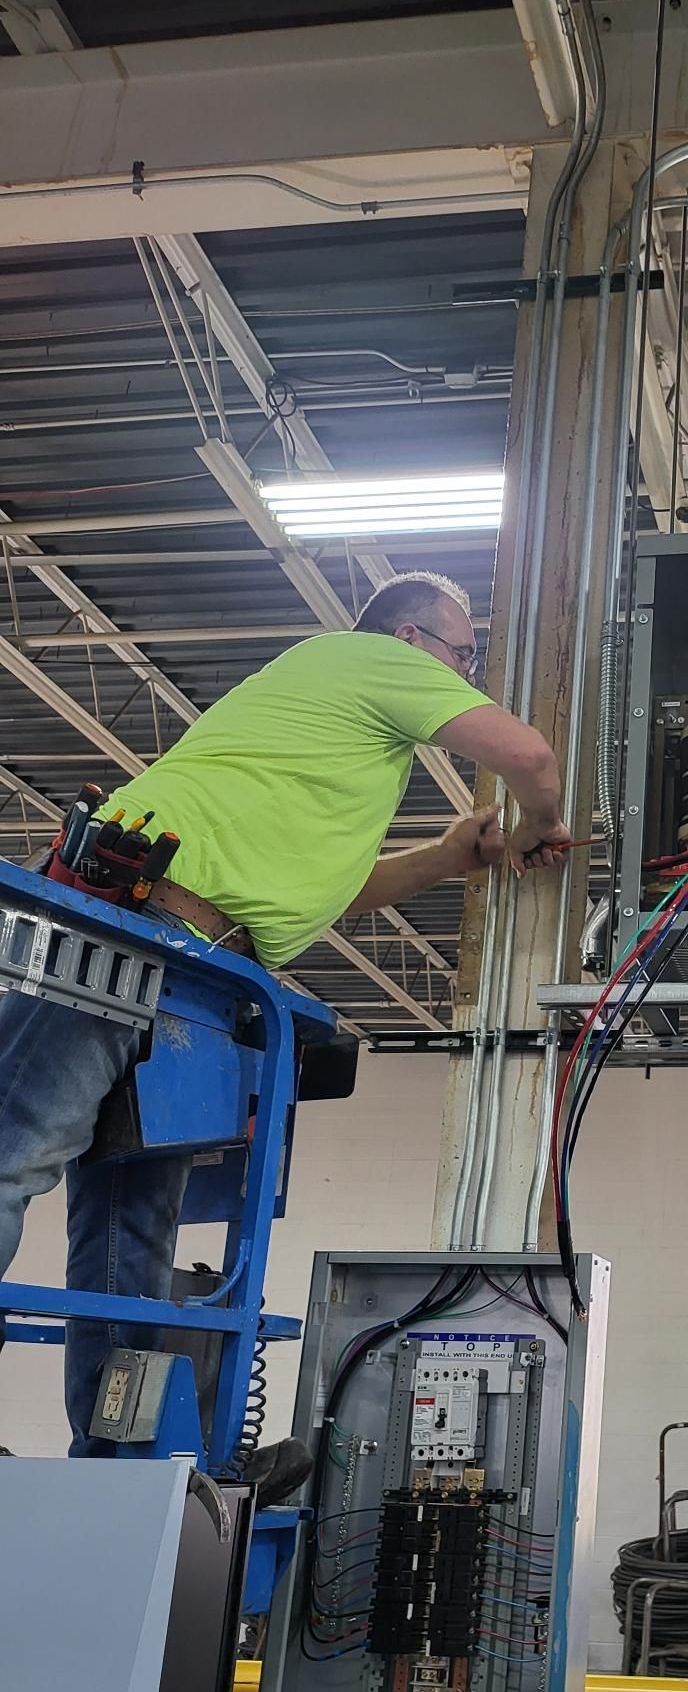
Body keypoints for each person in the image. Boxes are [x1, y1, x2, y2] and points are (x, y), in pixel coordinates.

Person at [0, 570, 568, 1475]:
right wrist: (544, 823)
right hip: (128, 916)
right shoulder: (369, 658)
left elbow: (333, 891)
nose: (470, 674)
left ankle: (114, 1465)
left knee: (130, 1229)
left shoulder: (338, 752)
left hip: (194, 961)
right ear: (412, 640)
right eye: (468, 655)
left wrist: (453, 855)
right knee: (13, 1156)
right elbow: (530, 757)